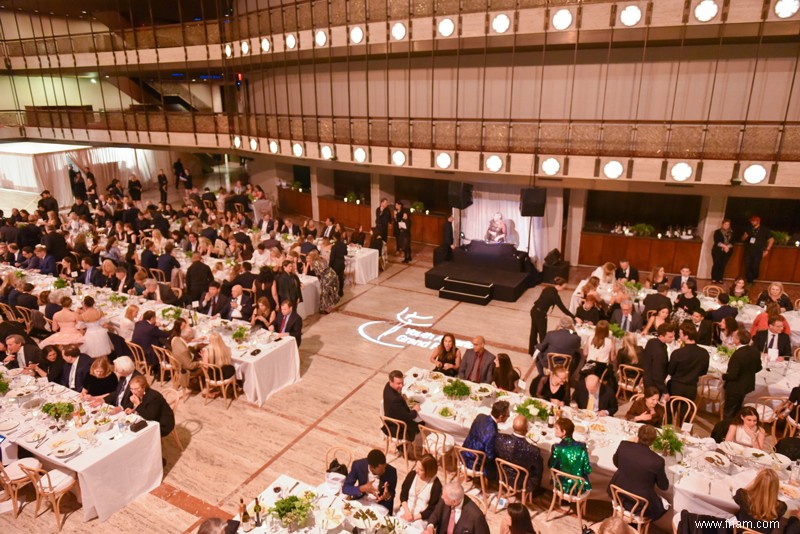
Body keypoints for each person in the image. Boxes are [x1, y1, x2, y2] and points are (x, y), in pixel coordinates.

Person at [609, 424, 669, 520]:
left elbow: (616, 463)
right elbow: (664, 486)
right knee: (664, 506)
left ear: (638, 436)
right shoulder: (658, 461)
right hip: (640, 505)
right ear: (653, 441)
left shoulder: (624, 445)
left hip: (618, 494)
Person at [461, 400, 510, 480]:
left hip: (463, 454)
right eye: (508, 415)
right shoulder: (492, 433)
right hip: (473, 464)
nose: (509, 416)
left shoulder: (480, 416)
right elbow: (489, 456)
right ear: (501, 417)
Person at [494, 415, 544, 494]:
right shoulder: (533, 450)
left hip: (502, 477)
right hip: (521, 483)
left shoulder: (500, 439)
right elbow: (538, 469)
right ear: (527, 429)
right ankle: (535, 493)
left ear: (512, 427)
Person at [342, 449, 397, 514]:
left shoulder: (391, 471)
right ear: (371, 468)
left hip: (379, 506)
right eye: (381, 469)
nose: (384, 470)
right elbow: (345, 488)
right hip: (361, 501)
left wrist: (387, 496)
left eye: (385, 467)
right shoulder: (358, 465)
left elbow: (392, 494)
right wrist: (361, 488)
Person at [733, 468, 786, 534]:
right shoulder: (781, 507)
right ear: (776, 487)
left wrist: (756, 480)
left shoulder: (743, 495)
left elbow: (738, 496)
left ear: (756, 482)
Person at [723, 329, 761, 418]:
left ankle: (727, 425)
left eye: (734, 336)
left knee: (729, 412)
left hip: (735, 388)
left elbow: (732, 376)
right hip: (746, 386)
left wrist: (723, 376)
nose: (732, 337)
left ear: (738, 340)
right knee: (737, 409)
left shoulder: (737, 354)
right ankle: (735, 424)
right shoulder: (755, 351)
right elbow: (759, 368)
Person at [528, 277, 573, 353]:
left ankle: (532, 351)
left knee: (533, 331)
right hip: (541, 314)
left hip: (534, 310)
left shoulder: (547, 288)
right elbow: (563, 309)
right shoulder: (555, 296)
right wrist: (574, 317)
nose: (564, 289)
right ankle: (543, 352)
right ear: (559, 285)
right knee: (542, 334)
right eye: (563, 287)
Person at [424, 482, 489, 534]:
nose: (442, 498)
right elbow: (435, 515)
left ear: (454, 502)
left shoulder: (476, 516)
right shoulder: (445, 498)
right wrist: (430, 527)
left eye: (445, 498)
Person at [667, 323, 709, 402]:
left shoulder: (677, 353)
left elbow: (670, 371)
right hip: (692, 388)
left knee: (671, 409)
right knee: (687, 409)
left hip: (675, 387)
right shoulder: (704, 353)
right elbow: (703, 372)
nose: (679, 335)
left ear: (686, 336)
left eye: (680, 334)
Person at [549, 418, 591, 493]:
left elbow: (550, 465)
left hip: (560, 485)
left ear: (564, 432)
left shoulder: (557, 448)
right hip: (578, 488)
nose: (555, 430)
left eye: (557, 428)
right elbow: (588, 470)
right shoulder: (582, 447)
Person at [398, 454, 443, 523]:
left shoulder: (436, 485)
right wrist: (406, 511)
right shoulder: (412, 475)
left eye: (420, 470)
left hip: (421, 518)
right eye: (416, 467)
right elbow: (403, 495)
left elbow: (432, 508)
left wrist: (414, 517)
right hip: (405, 510)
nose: (416, 470)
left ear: (429, 471)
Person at [383, 370, 423, 443]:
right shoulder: (395, 399)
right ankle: (417, 444)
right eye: (398, 383)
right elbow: (408, 416)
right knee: (422, 423)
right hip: (397, 428)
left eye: (402, 382)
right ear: (391, 381)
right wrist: (415, 410)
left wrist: (401, 396)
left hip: (389, 421)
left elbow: (396, 399)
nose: (401, 386)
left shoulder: (388, 386)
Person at [640, 323, 676, 397]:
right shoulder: (660, 352)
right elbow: (657, 375)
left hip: (647, 378)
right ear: (661, 336)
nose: (673, 338)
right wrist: (665, 391)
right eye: (670, 337)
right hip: (654, 384)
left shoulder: (651, 341)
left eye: (673, 336)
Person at [741, 215, 774, 285]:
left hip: (758, 251)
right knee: (747, 265)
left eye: (753, 221)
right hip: (748, 250)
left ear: (758, 221)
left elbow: (771, 239)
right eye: (751, 221)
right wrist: (744, 237)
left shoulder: (764, 229)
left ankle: (754, 277)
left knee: (755, 266)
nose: (752, 222)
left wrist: (767, 250)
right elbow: (743, 239)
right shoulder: (749, 229)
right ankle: (749, 280)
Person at [711, 219, 734, 283]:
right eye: (725, 224)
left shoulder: (732, 232)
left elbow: (733, 242)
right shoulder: (717, 232)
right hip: (717, 251)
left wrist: (727, 247)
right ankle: (714, 278)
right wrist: (725, 246)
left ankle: (720, 278)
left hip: (727, 251)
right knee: (716, 264)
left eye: (728, 224)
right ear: (722, 224)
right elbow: (717, 242)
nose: (727, 226)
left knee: (723, 265)